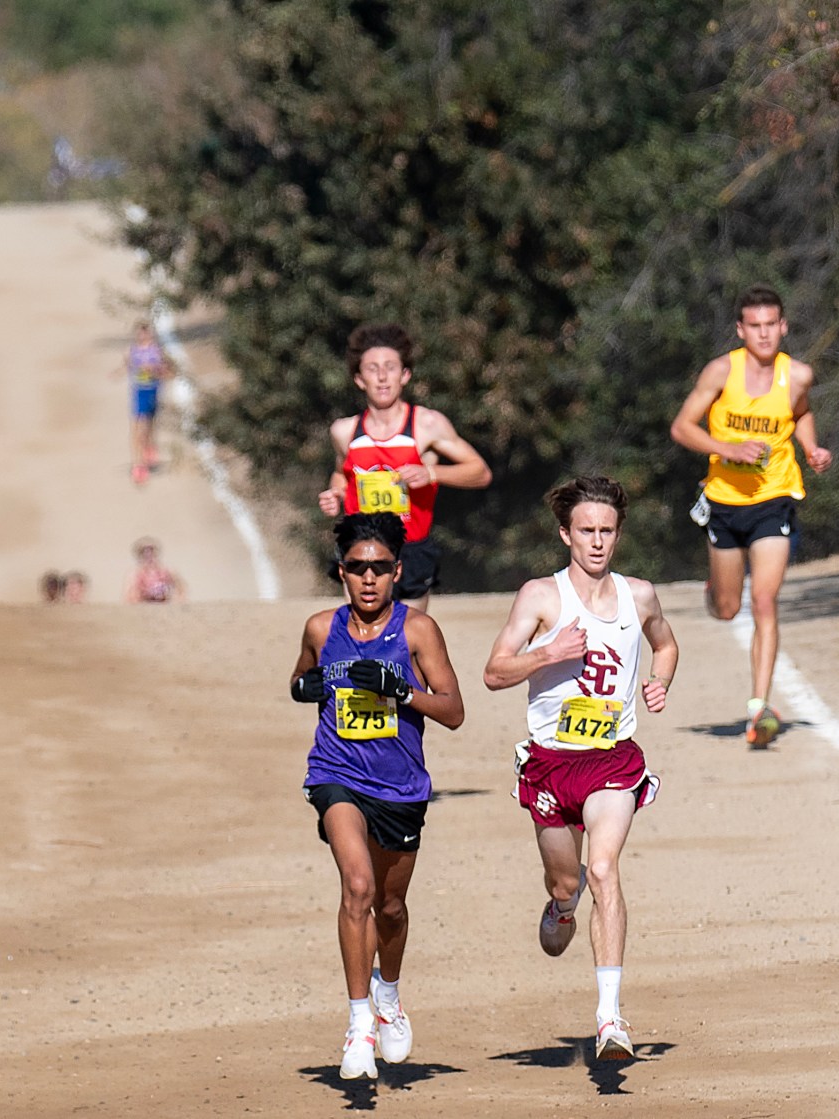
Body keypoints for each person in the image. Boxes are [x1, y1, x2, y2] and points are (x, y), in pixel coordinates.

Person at [483, 476, 677, 1063]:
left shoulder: (639, 595)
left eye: (607, 531)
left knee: (602, 868)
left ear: (618, 535)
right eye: (586, 531)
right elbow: (494, 672)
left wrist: (658, 683)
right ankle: (561, 906)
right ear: (565, 533)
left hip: (613, 761)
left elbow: (665, 644)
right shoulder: (541, 596)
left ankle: (610, 1018)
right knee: (568, 882)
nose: (597, 542)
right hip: (550, 764)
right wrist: (549, 653)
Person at [291, 511, 465, 1080]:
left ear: (398, 572)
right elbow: (299, 679)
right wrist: (305, 687)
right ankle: (359, 1021)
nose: (369, 579)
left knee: (389, 906)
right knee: (358, 887)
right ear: (341, 572)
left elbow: (454, 711)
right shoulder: (321, 628)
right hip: (336, 774)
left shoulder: (417, 632)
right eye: (357, 568)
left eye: (381, 568)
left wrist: (403, 692)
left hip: (401, 786)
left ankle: (387, 994)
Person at [669, 285, 832, 748]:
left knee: (764, 600)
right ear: (741, 330)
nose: (764, 334)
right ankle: (717, 590)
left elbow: (801, 411)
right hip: (723, 500)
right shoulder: (722, 371)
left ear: (783, 327)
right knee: (727, 609)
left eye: (771, 325)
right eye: (754, 326)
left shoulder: (797, 374)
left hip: (775, 498)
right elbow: (682, 427)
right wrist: (728, 448)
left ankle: (759, 709)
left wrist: (811, 448)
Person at [317, 323, 492, 612]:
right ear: (359, 379)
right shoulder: (344, 431)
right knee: (361, 635)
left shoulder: (427, 425)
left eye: (390, 367)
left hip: (410, 550)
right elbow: (341, 474)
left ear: (405, 375)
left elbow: (480, 472)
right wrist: (334, 495)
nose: (383, 377)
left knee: (408, 639)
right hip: (361, 548)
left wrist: (432, 473)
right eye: (373, 369)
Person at [114, 321, 176, 484]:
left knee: (149, 426)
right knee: (138, 430)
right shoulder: (131, 351)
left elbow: (169, 372)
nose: (144, 336)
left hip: (153, 391)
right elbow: (127, 367)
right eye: (141, 333)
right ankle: (138, 464)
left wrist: (157, 371)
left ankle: (148, 448)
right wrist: (118, 373)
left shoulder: (158, 351)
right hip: (139, 393)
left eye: (147, 333)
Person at [124, 538, 184, 603]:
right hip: (145, 607)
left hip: (164, 606)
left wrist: (175, 602)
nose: (149, 555)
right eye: (144, 552)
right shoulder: (136, 575)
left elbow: (181, 589)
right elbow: (130, 597)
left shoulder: (167, 571)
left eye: (151, 551)